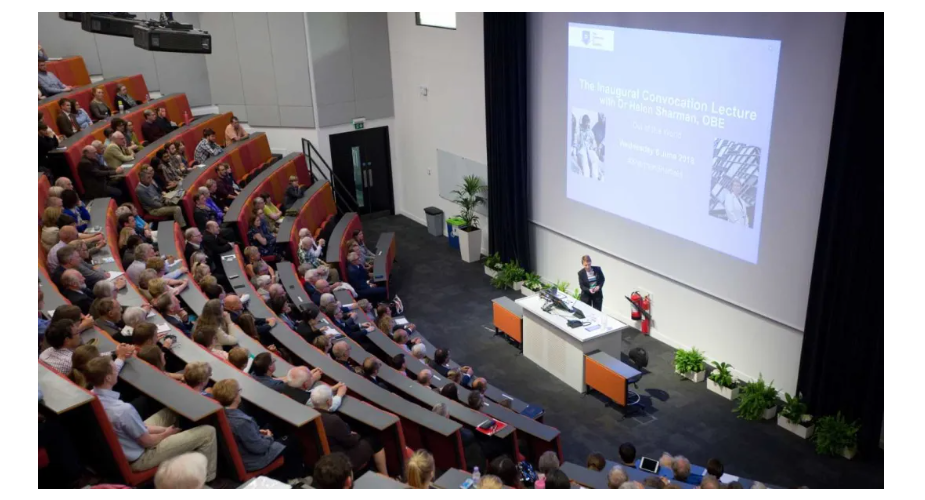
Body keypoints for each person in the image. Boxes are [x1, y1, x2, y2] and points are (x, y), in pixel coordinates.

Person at [85, 356, 218, 482]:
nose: (117, 371)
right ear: (108, 378)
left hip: (129, 442)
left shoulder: (91, 396)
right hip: (141, 457)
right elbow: (147, 442)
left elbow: (136, 427)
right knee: (208, 432)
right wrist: (166, 434)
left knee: (170, 412)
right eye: (115, 369)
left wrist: (163, 430)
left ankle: (183, 438)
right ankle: (208, 478)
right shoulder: (122, 410)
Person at [213, 378, 307, 482]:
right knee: (292, 440)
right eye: (239, 391)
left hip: (244, 452)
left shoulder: (220, 413)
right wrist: (268, 437)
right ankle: (294, 477)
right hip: (254, 460)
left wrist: (257, 432)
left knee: (274, 425)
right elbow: (260, 448)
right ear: (234, 396)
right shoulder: (242, 422)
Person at [312, 384, 388, 475]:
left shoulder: (310, 415)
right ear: (329, 402)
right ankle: (386, 475)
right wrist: (356, 434)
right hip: (341, 459)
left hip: (322, 454)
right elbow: (350, 442)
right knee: (374, 441)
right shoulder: (333, 420)